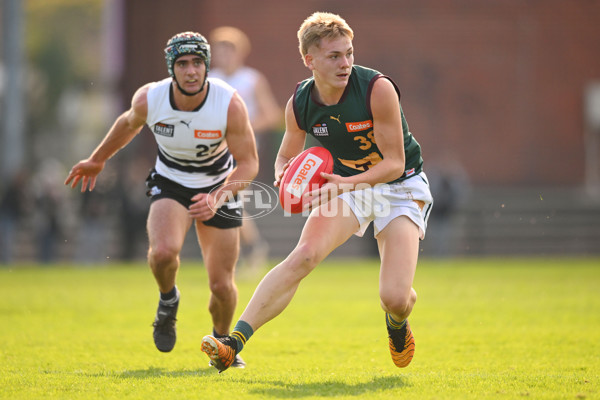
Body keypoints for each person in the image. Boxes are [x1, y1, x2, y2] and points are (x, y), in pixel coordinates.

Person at [200, 12, 433, 372]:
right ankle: (233, 342)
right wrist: (284, 176)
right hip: (347, 186)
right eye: (334, 56)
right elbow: (285, 154)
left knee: (395, 298)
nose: (345, 63)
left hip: (399, 187)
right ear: (309, 60)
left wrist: (344, 183)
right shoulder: (300, 102)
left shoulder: (376, 88)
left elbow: (393, 164)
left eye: (349, 53)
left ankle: (397, 322)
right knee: (304, 256)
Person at [65, 32, 258, 367]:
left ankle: (222, 345)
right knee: (163, 254)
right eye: (182, 64)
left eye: (198, 62)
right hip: (171, 183)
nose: (191, 71)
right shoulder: (150, 98)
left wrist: (218, 195)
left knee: (222, 286)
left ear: (206, 65)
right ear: (172, 68)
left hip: (219, 186)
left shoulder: (228, 103)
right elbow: (128, 124)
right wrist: (97, 159)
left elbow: (249, 163)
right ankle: (168, 302)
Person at [209, 26, 282, 272]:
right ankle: (249, 248)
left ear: (240, 52)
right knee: (228, 200)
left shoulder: (252, 79)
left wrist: (243, 127)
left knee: (229, 197)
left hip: (241, 148)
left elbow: (272, 114)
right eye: (219, 51)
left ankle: (247, 249)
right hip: (213, 147)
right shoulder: (210, 79)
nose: (224, 56)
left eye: (229, 50)